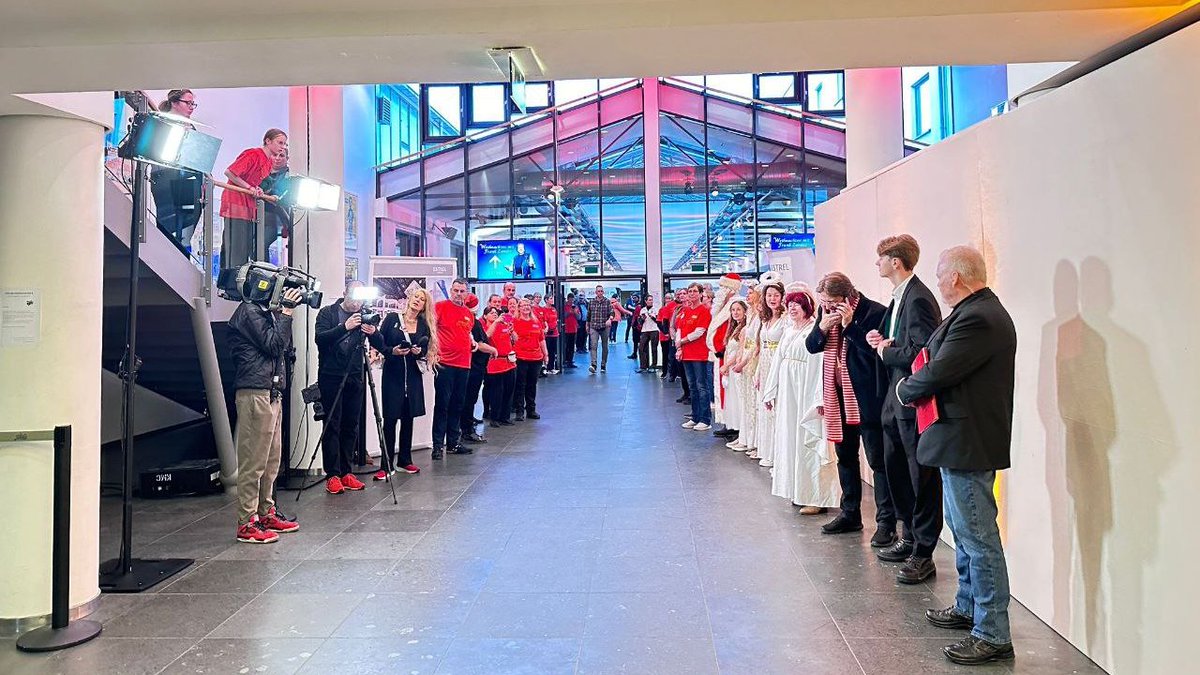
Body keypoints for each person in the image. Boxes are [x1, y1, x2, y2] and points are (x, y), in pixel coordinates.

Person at [896, 246, 1017, 666]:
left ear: (958, 278)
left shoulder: (979, 318)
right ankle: (968, 607)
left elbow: (939, 370)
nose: (939, 282)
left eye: (942, 275)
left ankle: (993, 632)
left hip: (968, 441)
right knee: (965, 533)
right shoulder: (974, 312)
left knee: (979, 539)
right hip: (959, 439)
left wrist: (905, 389)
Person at [866, 234, 945, 580]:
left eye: (881, 258)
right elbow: (904, 341)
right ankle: (909, 535)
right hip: (894, 399)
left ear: (896, 261)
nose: (877, 264)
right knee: (896, 467)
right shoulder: (900, 297)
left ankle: (923, 550)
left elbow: (922, 353)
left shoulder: (919, 299)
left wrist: (886, 351)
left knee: (920, 474)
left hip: (911, 401)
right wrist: (883, 341)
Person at [807, 272, 892, 539]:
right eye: (824, 302)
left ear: (848, 296)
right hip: (837, 397)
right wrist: (822, 326)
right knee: (845, 457)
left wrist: (849, 324)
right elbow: (811, 346)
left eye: (832, 302)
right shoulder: (824, 314)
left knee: (878, 461)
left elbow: (875, 354)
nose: (828, 307)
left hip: (866, 398)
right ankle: (850, 514)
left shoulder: (873, 312)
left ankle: (887, 523)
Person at [227, 286, 304, 543]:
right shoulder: (249, 311)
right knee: (254, 461)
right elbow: (274, 345)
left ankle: (265, 512)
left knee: (271, 461)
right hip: (254, 392)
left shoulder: (264, 313)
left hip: (270, 391)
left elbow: (280, 348)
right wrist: (287, 313)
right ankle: (246, 523)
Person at [763, 289, 834, 511]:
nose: (792, 308)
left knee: (806, 439)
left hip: (805, 389)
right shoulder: (789, 330)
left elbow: (820, 366)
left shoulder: (815, 330)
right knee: (790, 437)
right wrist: (770, 391)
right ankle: (797, 490)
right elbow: (778, 360)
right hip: (788, 391)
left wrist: (819, 399)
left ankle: (815, 497)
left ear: (807, 307)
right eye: (790, 304)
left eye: (797, 304)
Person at [314, 281, 376, 494]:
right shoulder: (327, 313)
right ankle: (332, 474)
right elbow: (320, 339)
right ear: (344, 294)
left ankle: (347, 472)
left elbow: (379, 341)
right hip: (331, 376)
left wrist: (373, 332)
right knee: (332, 424)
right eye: (354, 297)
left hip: (355, 376)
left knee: (351, 424)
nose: (358, 302)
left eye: (361, 298)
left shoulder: (364, 314)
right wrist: (345, 327)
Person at [368, 288, 437, 478]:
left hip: (413, 376)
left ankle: (405, 459)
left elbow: (424, 348)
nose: (417, 301)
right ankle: (386, 463)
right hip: (393, 374)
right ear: (409, 298)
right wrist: (393, 351)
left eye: (422, 300)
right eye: (416, 297)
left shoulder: (423, 325)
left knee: (408, 417)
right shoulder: (392, 319)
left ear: (424, 305)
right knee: (390, 419)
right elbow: (380, 342)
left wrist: (418, 352)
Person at [220, 128, 288, 273]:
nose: (283, 146)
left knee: (246, 246)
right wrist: (249, 187)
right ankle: (229, 279)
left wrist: (256, 189)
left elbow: (254, 181)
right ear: (268, 141)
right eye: (280, 142)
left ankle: (241, 278)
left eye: (285, 144)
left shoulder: (269, 163)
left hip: (249, 206)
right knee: (235, 244)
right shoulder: (253, 154)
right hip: (236, 202)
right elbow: (230, 172)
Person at [150, 89, 204, 248]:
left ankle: (183, 258)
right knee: (170, 225)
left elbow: (197, 157)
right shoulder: (162, 122)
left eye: (193, 103)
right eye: (188, 103)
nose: (191, 107)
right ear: (174, 102)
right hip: (167, 178)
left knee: (187, 226)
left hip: (189, 180)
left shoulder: (191, 126)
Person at [432, 278, 476, 460]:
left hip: (463, 364)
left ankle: (453, 442)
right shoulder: (440, 307)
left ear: (467, 293)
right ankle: (437, 446)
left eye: (462, 291)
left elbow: (467, 333)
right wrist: (433, 352)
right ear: (451, 291)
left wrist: (472, 342)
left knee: (457, 404)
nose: (458, 294)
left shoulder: (469, 314)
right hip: (445, 363)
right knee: (442, 404)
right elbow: (431, 329)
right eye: (456, 290)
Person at [751, 281, 786, 464]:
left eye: (776, 295)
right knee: (764, 407)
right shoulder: (765, 319)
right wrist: (757, 372)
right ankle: (767, 451)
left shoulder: (785, 319)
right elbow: (761, 346)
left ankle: (778, 455)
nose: (772, 299)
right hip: (764, 364)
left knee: (777, 407)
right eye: (769, 295)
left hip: (777, 364)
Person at [728, 285, 763, 453]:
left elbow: (756, 343)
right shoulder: (751, 315)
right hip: (745, 359)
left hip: (754, 361)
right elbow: (745, 341)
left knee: (754, 404)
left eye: (751, 293)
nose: (748, 296)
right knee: (746, 402)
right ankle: (746, 438)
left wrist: (743, 361)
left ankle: (755, 441)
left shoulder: (760, 316)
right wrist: (740, 358)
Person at [459, 294, 496, 445]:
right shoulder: (472, 322)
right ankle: (467, 431)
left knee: (468, 399)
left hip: (472, 366)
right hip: (473, 367)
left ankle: (465, 428)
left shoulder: (469, 321)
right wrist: (493, 350)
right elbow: (479, 344)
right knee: (468, 399)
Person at [675, 282, 713, 431]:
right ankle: (695, 417)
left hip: (699, 354)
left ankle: (705, 419)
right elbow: (679, 328)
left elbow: (700, 331)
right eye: (689, 291)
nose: (691, 294)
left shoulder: (704, 311)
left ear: (701, 294)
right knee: (692, 387)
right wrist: (679, 345)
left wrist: (682, 341)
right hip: (686, 354)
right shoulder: (684, 310)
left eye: (694, 291)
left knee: (702, 386)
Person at [512, 297, 549, 420]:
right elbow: (513, 338)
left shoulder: (536, 321)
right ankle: (519, 411)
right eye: (523, 305)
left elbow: (541, 339)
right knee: (520, 385)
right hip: (521, 357)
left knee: (532, 385)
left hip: (536, 358)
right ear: (519, 308)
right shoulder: (514, 321)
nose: (526, 307)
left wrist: (546, 354)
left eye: (528, 305)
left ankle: (531, 410)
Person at [719, 300, 749, 449]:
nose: (735, 312)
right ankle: (736, 429)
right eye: (733, 310)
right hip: (730, 368)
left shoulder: (745, 329)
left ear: (745, 311)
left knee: (739, 400)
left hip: (736, 367)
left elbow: (739, 351)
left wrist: (727, 364)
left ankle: (741, 432)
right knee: (732, 399)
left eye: (738, 310)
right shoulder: (733, 328)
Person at [482, 306, 517, 427]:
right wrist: (496, 322)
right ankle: (494, 417)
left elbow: (515, 339)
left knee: (508, 390)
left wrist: (512, 331)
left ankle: (505, 416)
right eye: (491, 313)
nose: (494, 314)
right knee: (497, 392)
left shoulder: (504, 325)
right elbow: (487, 336)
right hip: (495, 362)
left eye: (496, 313)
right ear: (485, 316)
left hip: (509, 361)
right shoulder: (486, 326)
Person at [586, 285, 614, 373]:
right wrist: (587, 325)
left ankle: (603, 364)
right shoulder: (591, 302)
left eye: (601, 291)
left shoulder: (607, 302)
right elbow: (589, 315)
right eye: (598, 291)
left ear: (603, 292)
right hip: (594, 326)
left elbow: (612, 312)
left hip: (604, 327)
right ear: (596, 292)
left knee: (605, 346)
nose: (600, 293)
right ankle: (593, 364)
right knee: (593, 345)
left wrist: (610, 319)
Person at [657, 290, 679, 379]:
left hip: (674, 336)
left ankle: (675, 373)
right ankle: (665, 371)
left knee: (674, 355)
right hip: (664, 336)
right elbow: (659, 322)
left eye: (669, 298)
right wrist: (665, 332)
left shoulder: (677, 307)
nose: (668, 299)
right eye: (666, 298)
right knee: (665, 354)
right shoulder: (662, 309)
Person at [635, 294, 659, 373]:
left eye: (652, 300)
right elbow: (640, 323)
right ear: (646, 301)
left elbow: (658, 321)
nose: (651, 301)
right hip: (645, 330)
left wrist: (653, 317)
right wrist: (642, 319)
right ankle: (643, 366)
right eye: (649, 300)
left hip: (654, 330)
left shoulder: (655, 309)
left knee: (654, 348)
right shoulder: (643, 310)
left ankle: (654, 366)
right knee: (641, 347)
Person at [540, 294, 560, 374]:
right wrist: (547, 328)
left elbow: (555, 320)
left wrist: (555, 326)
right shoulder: (543, 310)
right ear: (546, 300)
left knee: (552, 351)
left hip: (554, 333)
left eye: (552, 298)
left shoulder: (554, 309)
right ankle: (545, 367)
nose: (552, 300)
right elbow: (544, 321)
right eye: (550, 298)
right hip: (547, 334)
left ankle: (551, 368)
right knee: (546, 351)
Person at [562, 292, 579, 369]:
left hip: (573, 329)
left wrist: (575, 312)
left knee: (571, 346)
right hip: (566, 329)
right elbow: (563, 316)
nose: (571, 301)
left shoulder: (575, 307)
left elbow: (578, 317)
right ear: (568, 299)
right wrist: (569, 312)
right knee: (565, 346)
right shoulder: (564, 306)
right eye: (570, 299)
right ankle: (564, 360)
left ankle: (570, 361)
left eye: (573, 299)